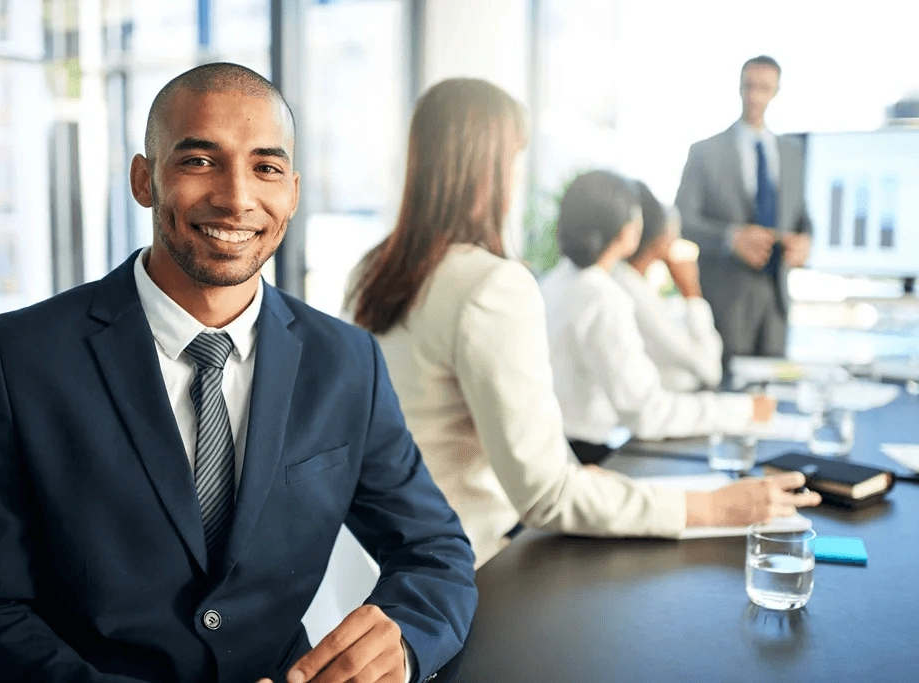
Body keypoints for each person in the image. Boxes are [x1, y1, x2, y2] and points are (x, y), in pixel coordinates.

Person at [0, 63, 475, 683]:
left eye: (266, 168)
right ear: (145, 179)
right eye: (199, 161)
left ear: (292, 193)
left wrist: (401, 642)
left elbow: (435, 551)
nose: (238, 197)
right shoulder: (17, 357)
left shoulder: (347, 362)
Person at [348, 78, 819, 569]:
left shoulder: (373, 270)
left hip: (391, 560)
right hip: (477, 563)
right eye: (513, 160)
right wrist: (712, 507)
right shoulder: (492, 285)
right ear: (489, 169)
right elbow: (546, 494)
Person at [542, 170, 777, 462]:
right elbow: (648, 412)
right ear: (628, 231)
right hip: (589, 456)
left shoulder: (554, 282)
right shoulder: (604, 297)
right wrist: (741, 410)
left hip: (561, 447)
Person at [675, 55, 811, 362]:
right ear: (739, 87)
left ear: (776, 91)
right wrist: (731, 238)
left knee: (771, 392)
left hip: (775, 298)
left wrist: (805, 241)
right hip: (725, 297)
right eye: (749, 86)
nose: (756, 96)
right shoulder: (705, 152)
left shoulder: (792, 154)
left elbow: (802, 217)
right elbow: (682, 219)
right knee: (726, 391)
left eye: (764, 88)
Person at [613, 181, 723, 391]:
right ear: (662, 239)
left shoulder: (627, 283)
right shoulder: (636, 295)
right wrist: (692, 292)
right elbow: (711, 371)